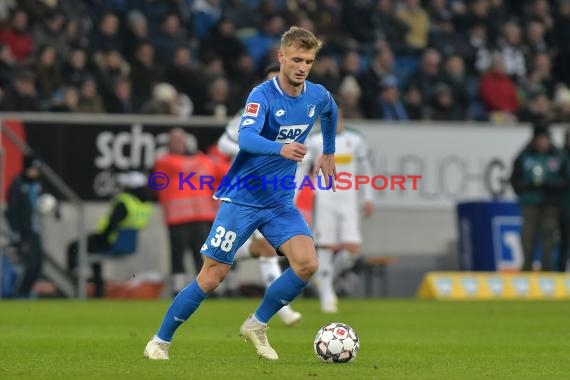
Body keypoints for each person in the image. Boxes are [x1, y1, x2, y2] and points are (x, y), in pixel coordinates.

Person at [144, 26, 338, 361]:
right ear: (281, 57)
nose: (302, 66)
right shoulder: (261, 96)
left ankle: (257, 323)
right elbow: (246, 139)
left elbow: (331, 110)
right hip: (243, 199)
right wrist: (280, 148)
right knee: (212, 276)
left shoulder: (316, 95)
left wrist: (329, 152)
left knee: (307, 264)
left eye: (308, 60)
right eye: (296, 59)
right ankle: (160, 340)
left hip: (278, 201)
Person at [217, 62, 302, 326]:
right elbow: (223, 142)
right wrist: (259, 149)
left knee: (266, 248)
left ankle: (230, 252)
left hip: (279, 189)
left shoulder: (296, 112)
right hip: (251, 188)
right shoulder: (250, 112)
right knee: (268, 247)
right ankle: (283, 309)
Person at [302, 101, 374, 313]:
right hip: (324, 198)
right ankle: (326, 294)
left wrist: (368, 197)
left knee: (351, 249)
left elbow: (365, 169)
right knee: (325, 246)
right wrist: (295, 196)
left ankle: (323, 279)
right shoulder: (314, 140)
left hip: (349, 198)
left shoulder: (356, 139)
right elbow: (301, 169)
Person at [153, 128, 228, 296]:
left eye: (180, 140)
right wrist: (205, 160)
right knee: (178, 255)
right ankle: (178, 289)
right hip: (178, 217)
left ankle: (206, 287)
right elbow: (179, 166)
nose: (178, 144)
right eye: (174, 140)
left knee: (203, 256)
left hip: (202, 216)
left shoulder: (203, 160)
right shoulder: (165, 161)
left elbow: (223, 172)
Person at [67, 171, 152, 297]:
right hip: (127, 245)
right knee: (93, 253)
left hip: (112, 242)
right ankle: (98, 288)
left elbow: (112, 224)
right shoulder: (145, 205)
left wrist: (102, 237)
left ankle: (74, 281)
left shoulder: (125, 202)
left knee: (74, 246)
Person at [510, 123, 568, 272]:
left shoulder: (558, 157)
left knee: (548, 239)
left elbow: (565, 180)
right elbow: (515, 179)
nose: (542, 143)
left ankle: (547, 272)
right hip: (530, 203)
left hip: (550, 204)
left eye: (545, 139)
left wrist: (550, 185)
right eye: (539, 139)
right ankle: (527, 270)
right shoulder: (524, 156)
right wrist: (524, 187)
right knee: (527, 238)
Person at [5, 154, 46, 298]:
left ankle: (25, 292)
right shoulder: (18, 184)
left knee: (38, 265)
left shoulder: (38, 185)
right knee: (30, 263)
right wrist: (15, 230)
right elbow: (12, 209)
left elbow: (45, 202)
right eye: (33, 169)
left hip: (35, 230)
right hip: (24, 231)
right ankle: (20, 293)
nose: (35, 172)